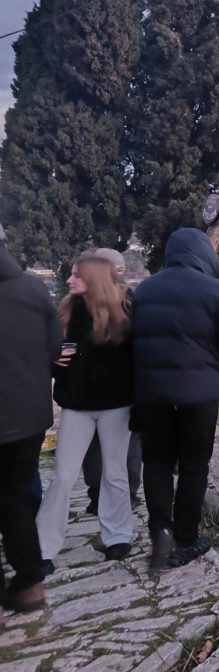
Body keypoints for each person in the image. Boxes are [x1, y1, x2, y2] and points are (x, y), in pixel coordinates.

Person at [132, 229, 219, 570]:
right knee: (194, 464)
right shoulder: (216, 290)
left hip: (151, 391)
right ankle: (186, 537)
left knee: (156, 462)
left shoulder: (146, 288)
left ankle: (160, 532)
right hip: (198, 392)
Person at [37, 254, 134, 573]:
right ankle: (43, 547)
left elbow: (136, 358)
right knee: (63, 476)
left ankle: (118, 536)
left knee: (115, 472)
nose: (69, 280)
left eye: (76, 276)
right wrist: (53, 359)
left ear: (93, 279)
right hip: (76, 406)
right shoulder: (65, 310)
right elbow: (49, 350)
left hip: (115, 405)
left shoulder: (124, 312)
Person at [0, 223, 61, 615]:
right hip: (29, 418)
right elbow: (55, 347)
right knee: (15, 499)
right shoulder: (34, 289)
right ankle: (29, 585)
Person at [81, 247, 142, 516]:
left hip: (91, 385)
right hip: (124, 382)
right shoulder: (130, 300)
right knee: (127, 440)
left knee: (94, 441)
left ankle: (97, 494)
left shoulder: (81, 300)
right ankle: (126, 494)